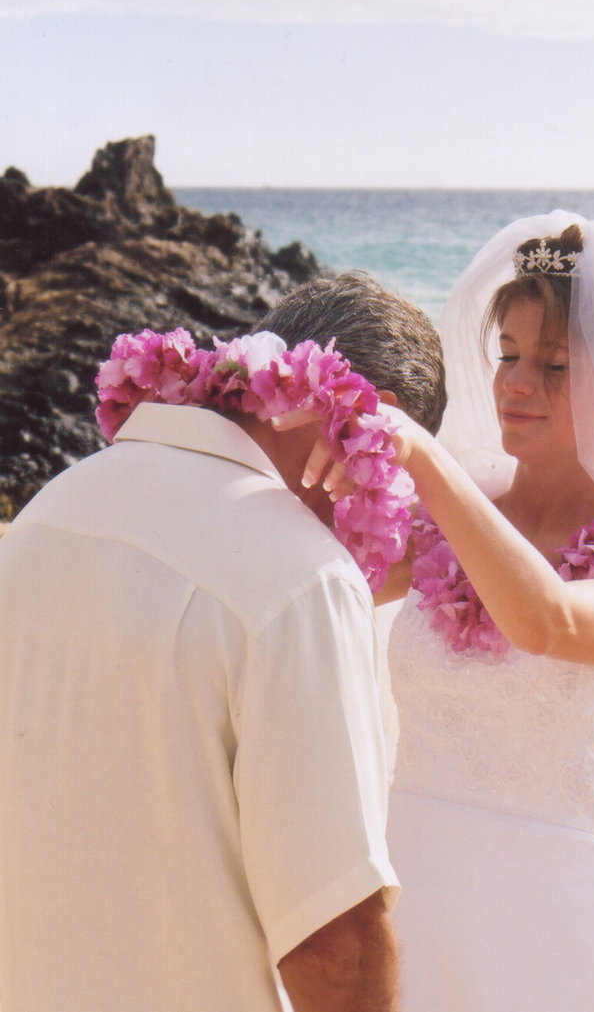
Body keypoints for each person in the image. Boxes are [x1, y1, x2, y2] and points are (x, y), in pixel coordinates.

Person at [293, 213, 594, 1011]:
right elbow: (306, 585)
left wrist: (422, 453)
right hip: (410, 909)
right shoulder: (436, 527)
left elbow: (549, 622)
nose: (516, 383)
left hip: (552, 941)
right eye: (508, 355)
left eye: (553, 364)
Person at [0, 273, 445, 1012]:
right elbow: (335, 948)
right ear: (376, 422)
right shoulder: (303, 578)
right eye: (401, 485)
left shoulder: (49, 513)